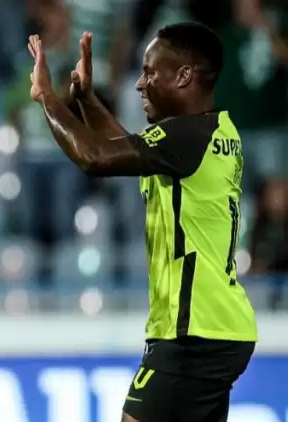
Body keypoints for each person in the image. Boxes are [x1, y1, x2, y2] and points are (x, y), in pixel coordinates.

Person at [27, 23, 257, 422]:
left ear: (184, 75)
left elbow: (96, 158)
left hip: (194, 333)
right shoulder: (207, 133)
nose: (139, 84)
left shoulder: (189, 137)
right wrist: (86, 100)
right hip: (211, 328)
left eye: (150, 73)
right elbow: (122, 148)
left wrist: (47, 97)